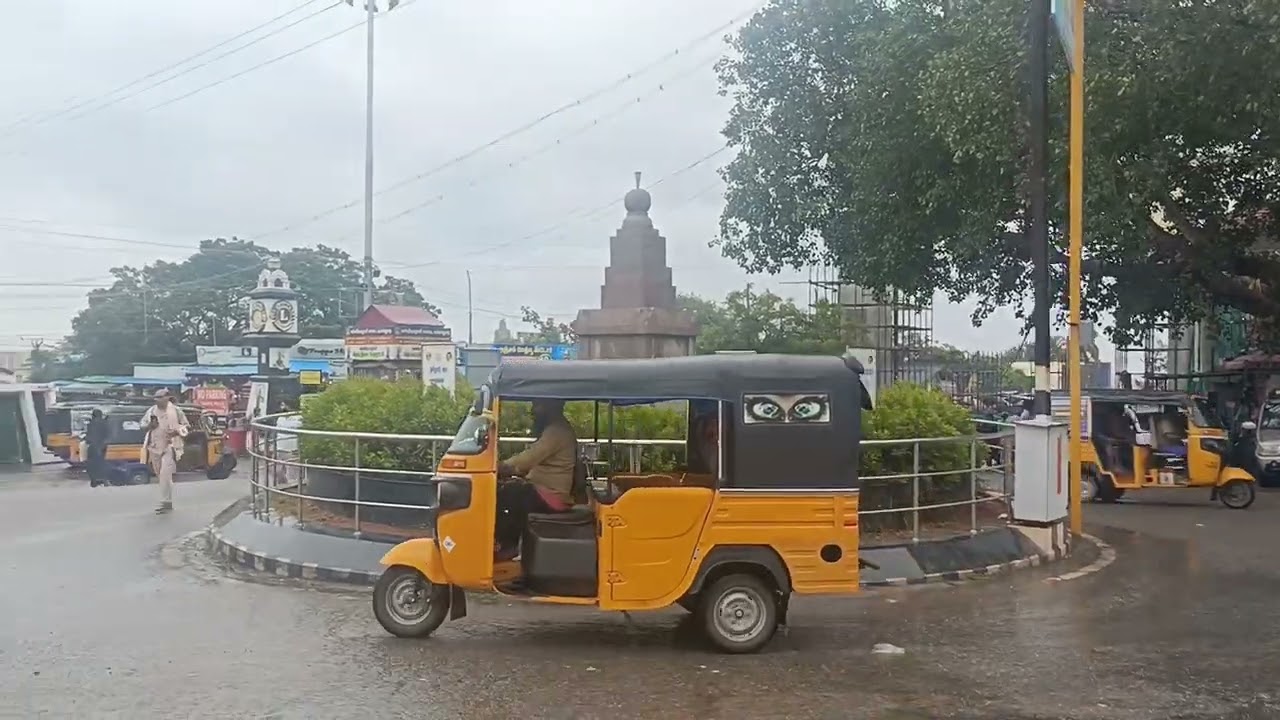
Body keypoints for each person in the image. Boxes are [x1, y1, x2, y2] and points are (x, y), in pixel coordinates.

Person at [494, 399, 577, 558]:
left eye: (538, 405)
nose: (533, 410)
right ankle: (506, 544)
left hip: (552, 495)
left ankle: (506, 546)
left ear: (551, 406)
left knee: (510, 494)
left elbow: (529, 458)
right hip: (545, 489)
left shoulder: (556, 431)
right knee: (512, 490)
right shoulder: (554, 429)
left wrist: (502, 466)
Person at [141, 389, 189, 514]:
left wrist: (176, 431)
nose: (156, 400)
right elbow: (142, 425)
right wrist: (149, 426)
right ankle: (167, 499)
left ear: (167, 397)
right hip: (154, 446)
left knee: (165, 474)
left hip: (170, 446)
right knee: (159, 474)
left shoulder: (176, 411)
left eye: (159, 397)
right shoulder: (151, 411)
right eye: (155, 397)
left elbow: (186, 426)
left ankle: (166, 502)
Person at [84, 409, 109, 487]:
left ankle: (94, 480)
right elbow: (108, 434)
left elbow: (89, 436)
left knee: (92, 464)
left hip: (93, 446)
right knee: (101, 463)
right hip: (102, 446)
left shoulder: (91, 424)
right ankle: (103, 479)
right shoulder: (105, 423)